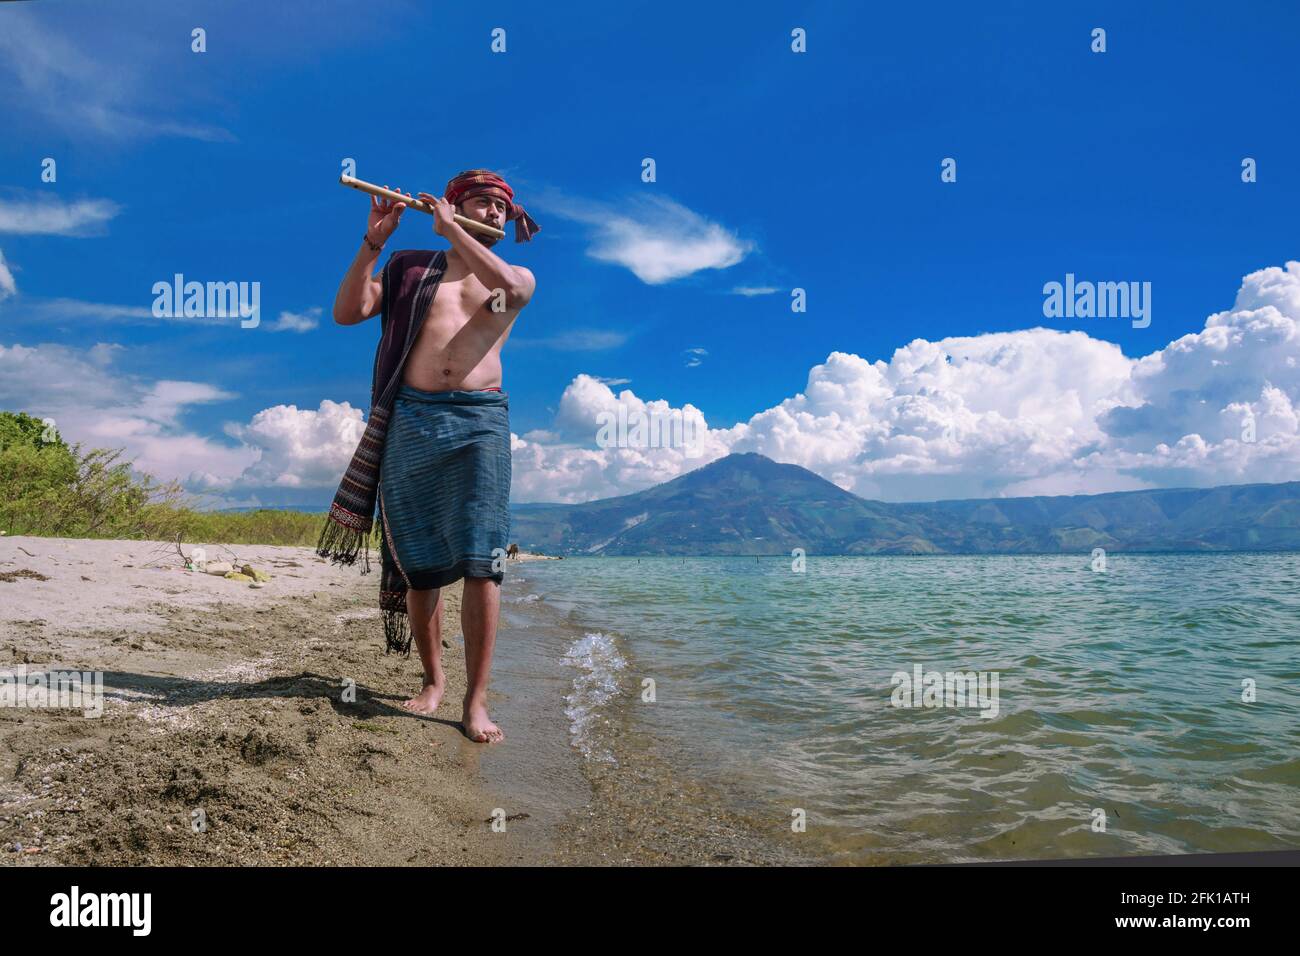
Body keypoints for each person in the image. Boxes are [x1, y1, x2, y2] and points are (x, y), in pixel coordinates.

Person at [321, 169, 539, 744]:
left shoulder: (512, 276)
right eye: (481, 204)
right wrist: (375, 242)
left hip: (480, 423)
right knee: (419, 566)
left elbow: (510, 296)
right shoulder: (411, 268)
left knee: (481, 562)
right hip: (411, 420)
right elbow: (347, 312)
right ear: (453, 203)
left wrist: (455, 230)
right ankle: (434, 681)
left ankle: (476, 700)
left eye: (500, 207)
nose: (492, 213)